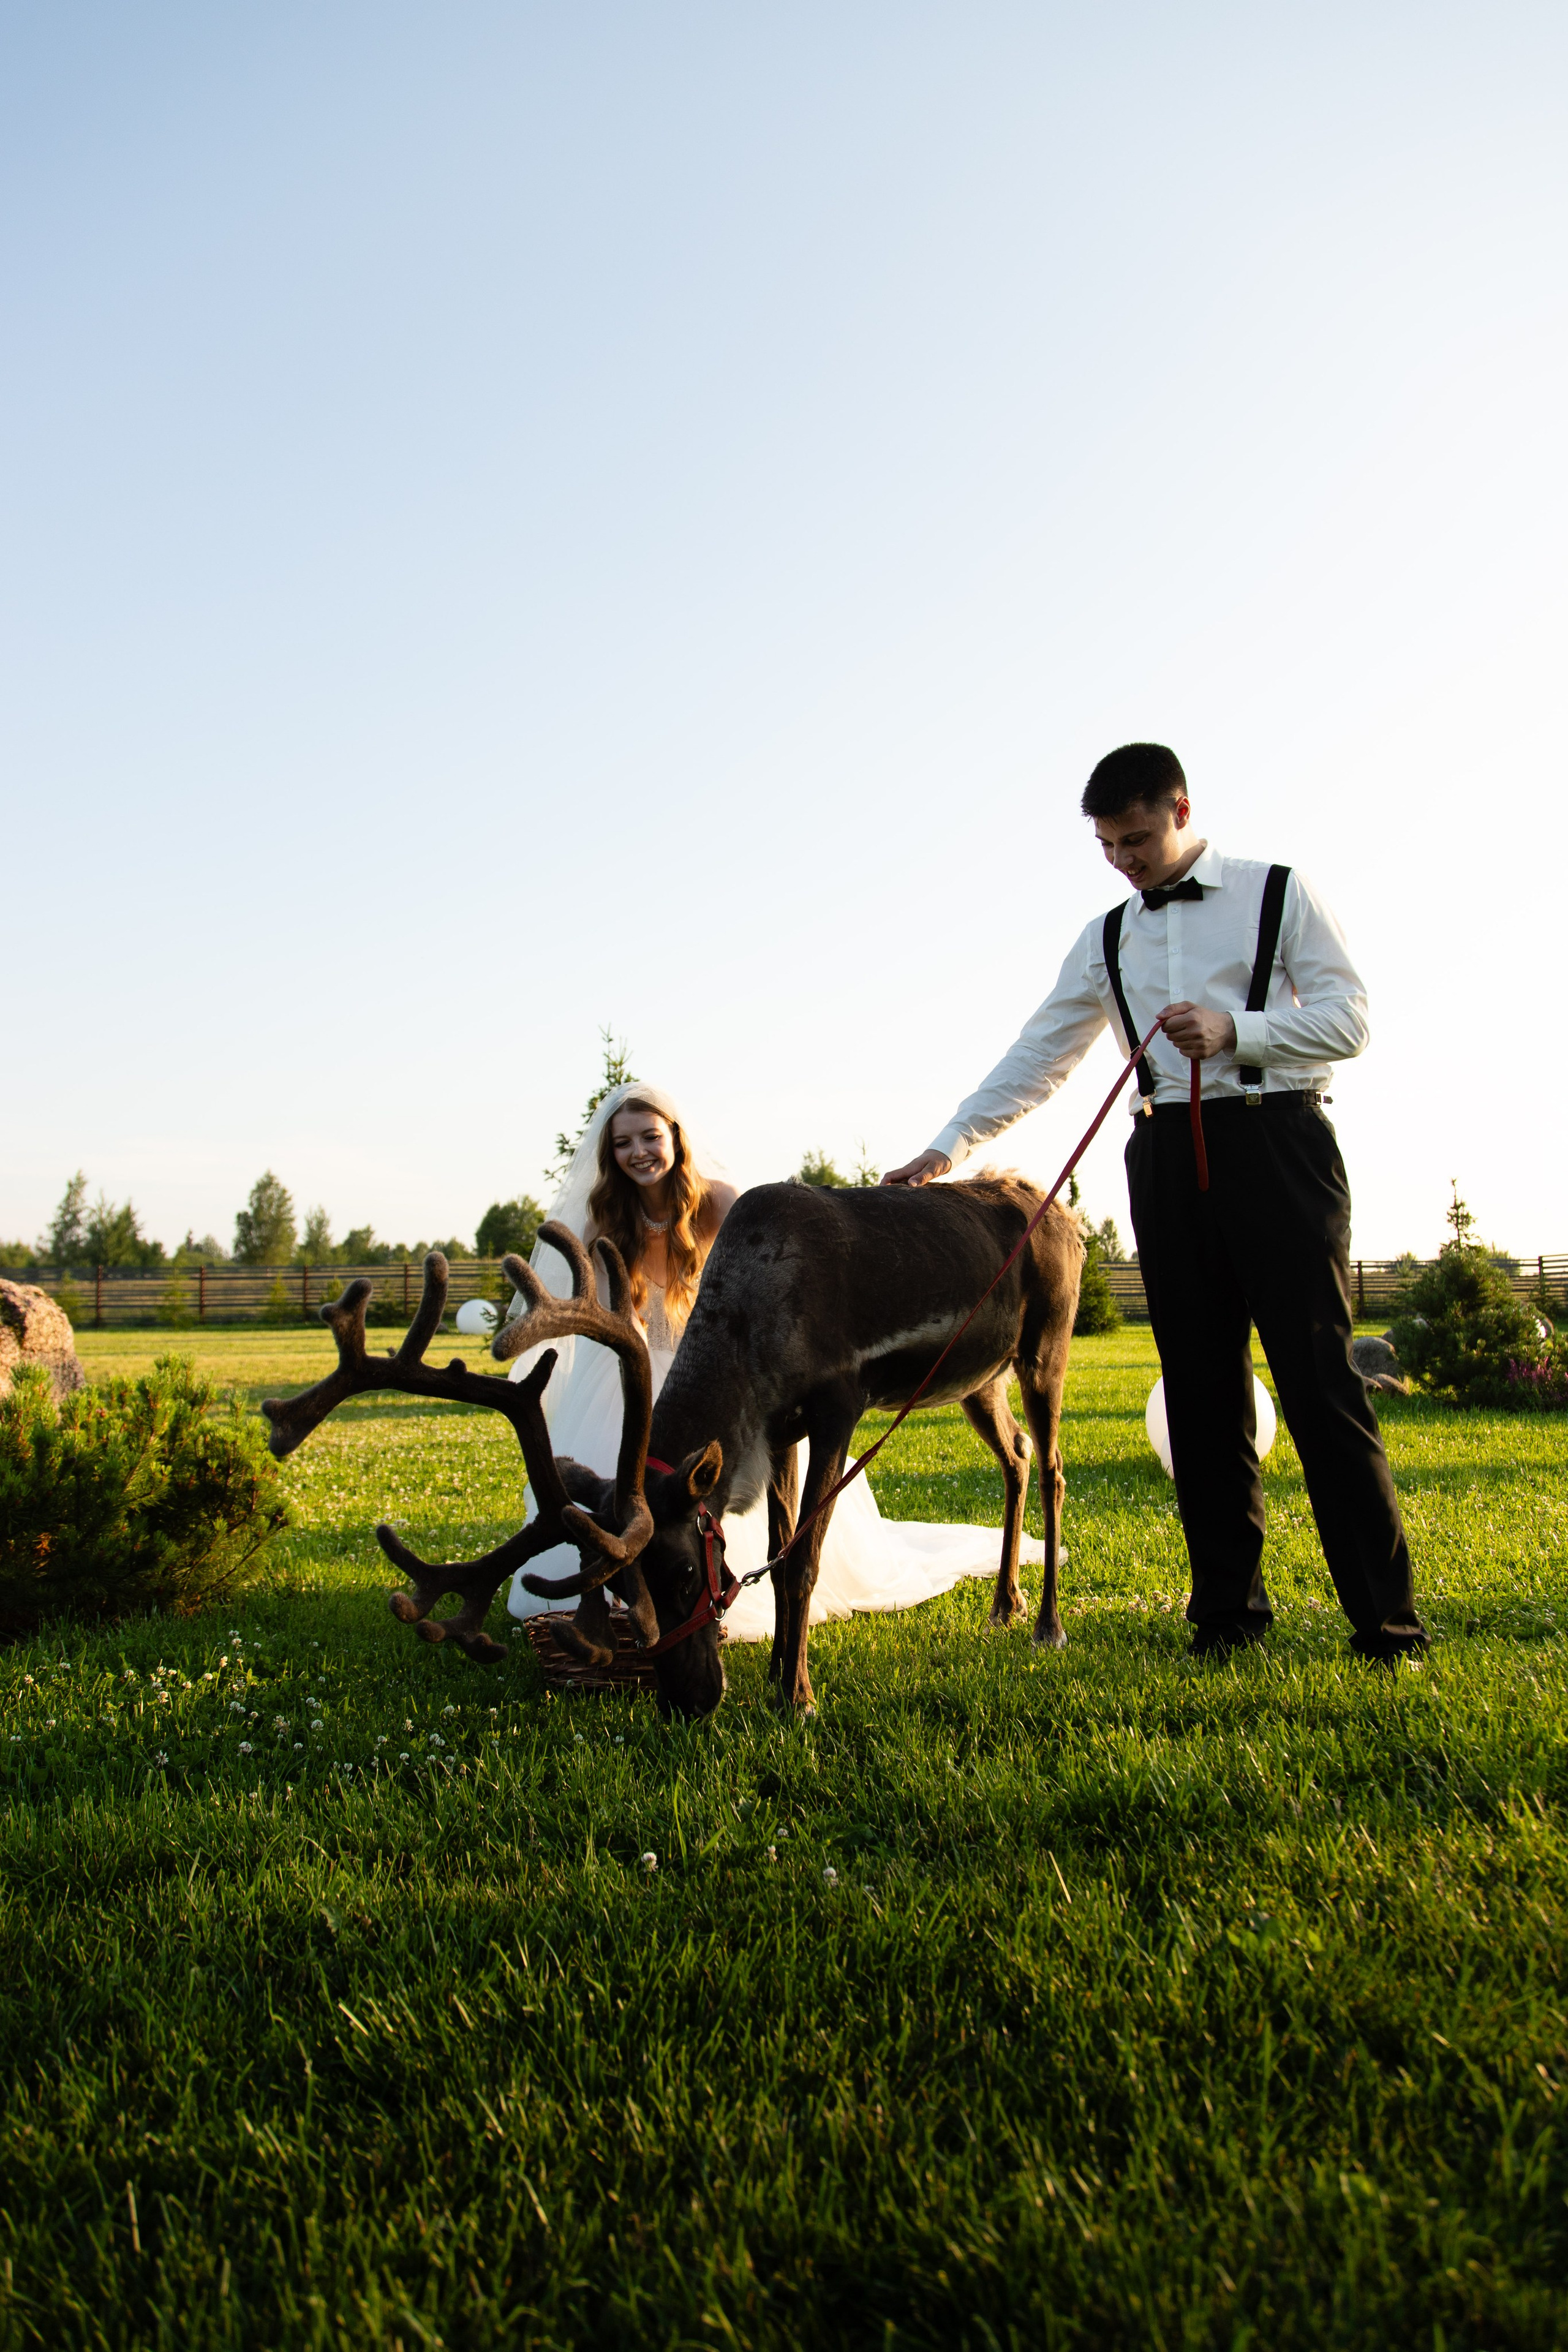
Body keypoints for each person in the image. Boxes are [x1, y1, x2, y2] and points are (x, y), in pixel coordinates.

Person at [883, 741, 1427, 1666]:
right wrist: (951, 1145)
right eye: (1107, 846)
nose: (1124, 861)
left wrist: (1238, 1029)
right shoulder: (1106, 939)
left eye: (1135, 839)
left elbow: (1352, 1018)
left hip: (1279, 1139)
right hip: (1167, 1156)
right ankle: (1226, 1619)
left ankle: (1387, 1628)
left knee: (1321, 1384)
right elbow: (1039, 1053)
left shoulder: (1277, 892)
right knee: (1202, 1391)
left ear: (1181, 808)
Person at [506, 1080, 1049, 1636]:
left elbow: (766, 1274)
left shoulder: (719, 1201)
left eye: (651, 1136)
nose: (639, 1152)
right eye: (624, 1144)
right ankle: (619, 1601)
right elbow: (593, 1302)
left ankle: (731, 1586)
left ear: (676, 1139)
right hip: (638, 1370)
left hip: (720, 1368)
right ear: (610, 1154)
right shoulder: (603, 1217)